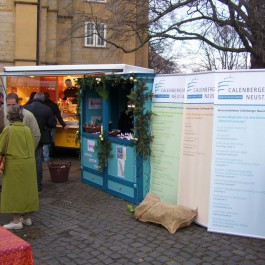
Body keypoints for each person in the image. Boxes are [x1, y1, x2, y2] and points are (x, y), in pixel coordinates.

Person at [1, 105, 39, 230]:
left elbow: (1, 147)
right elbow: (32, 144)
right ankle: (27, 217)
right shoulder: (27, 129)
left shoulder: (9, 129)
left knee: (15, 191)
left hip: (14, 164)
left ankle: (16, 220)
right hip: (29, 163)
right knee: (27, 190)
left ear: (9, 117)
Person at [24, 92, 57, 191]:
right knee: (38, 161)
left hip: (25, 137)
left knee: (25, 160)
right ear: (43, 99)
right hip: (40, 138)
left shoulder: (25, 108)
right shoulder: (47, 109)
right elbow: (52, 124)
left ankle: (26, 182)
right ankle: (38, 184)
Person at [42, 92, 69, 162]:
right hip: (51, 125)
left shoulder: (41, 105)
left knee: (42, 141)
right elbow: (58, 116)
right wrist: (64, 125)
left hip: (41, 125)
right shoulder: (53, 105)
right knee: (50, 141)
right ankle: (47, 156)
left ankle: (44, 156)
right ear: (49, 97)